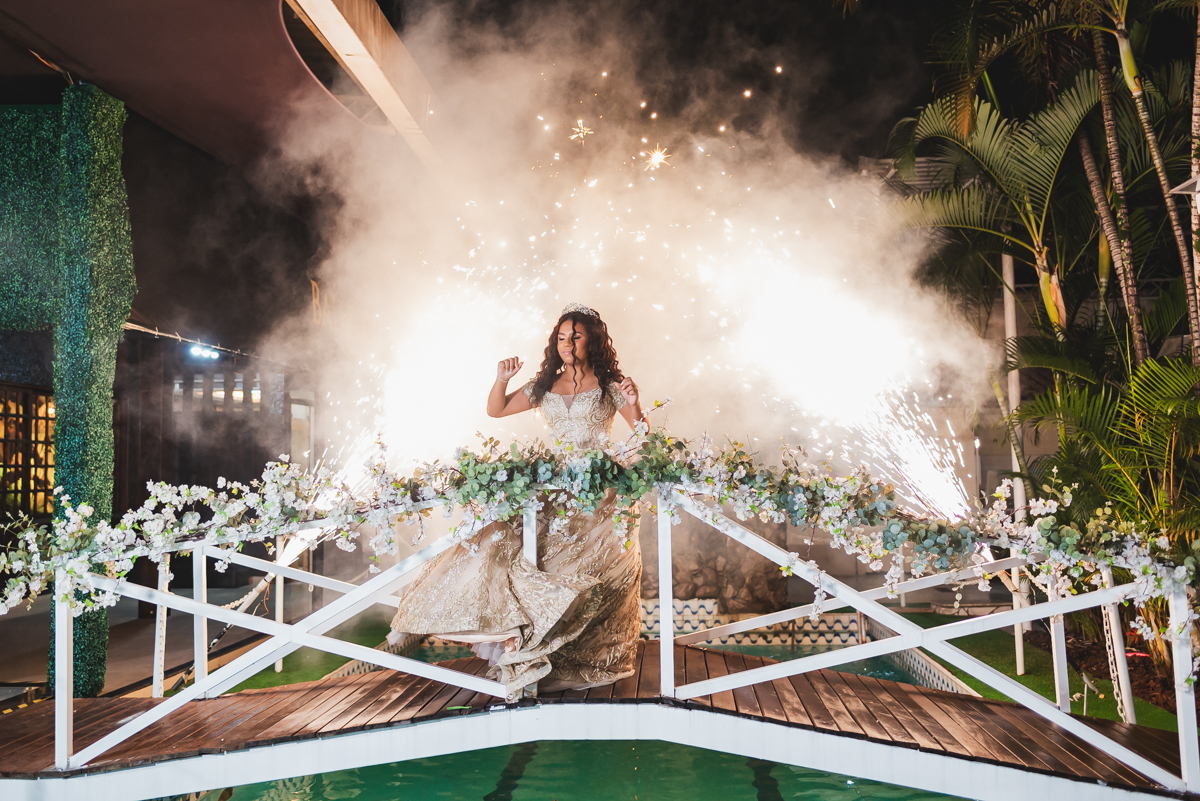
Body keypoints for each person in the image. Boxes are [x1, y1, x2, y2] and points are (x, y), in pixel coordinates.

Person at [388, 303, 647, 698]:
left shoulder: (610, 385)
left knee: (596, 573)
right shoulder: (544, 385)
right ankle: (534, 654)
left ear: (592, 340)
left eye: (575, 336)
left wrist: (634, 400)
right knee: (527, 557)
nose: (567, 343)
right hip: (554, 490)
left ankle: (582, 658)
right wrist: (501, 379)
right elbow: (497, 410)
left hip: (598, 494)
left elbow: (641, 431)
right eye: (561, 337)